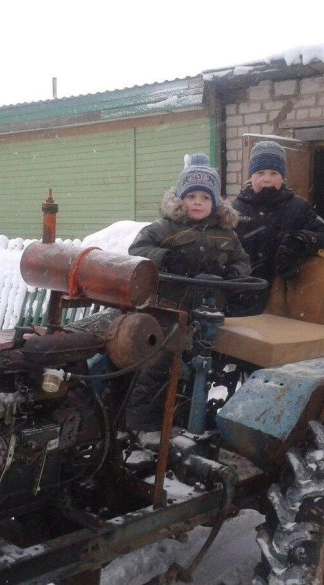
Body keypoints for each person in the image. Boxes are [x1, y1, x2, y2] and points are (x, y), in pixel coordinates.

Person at [125, 153, 250, 433]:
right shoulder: (164, 228)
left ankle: (184, 420)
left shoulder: (227, 235)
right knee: (157, 369)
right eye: (192, 195)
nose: (198, 202)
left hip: (208, 318)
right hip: (169, 312)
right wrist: (166, 258)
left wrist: (231, 275)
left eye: (205, 198)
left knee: (199, 371)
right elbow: (137, 250)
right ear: (180, 198)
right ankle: (141, 426)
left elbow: (242, 262)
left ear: (215, 203)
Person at [230, 140, 324, 316]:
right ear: (251, 176)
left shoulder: (299, 207)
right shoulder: (234, 209)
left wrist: (301, 241)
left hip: (285, 298)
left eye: (273, 173)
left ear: (283, 176)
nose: (267, 179)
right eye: (260, 172)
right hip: (242, 297)